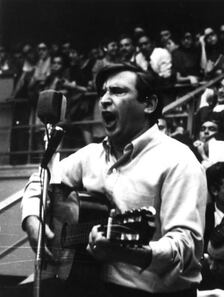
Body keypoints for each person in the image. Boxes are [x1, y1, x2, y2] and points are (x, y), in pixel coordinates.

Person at [19, 64, 207, 297]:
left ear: (149, 104)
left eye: (118, 91)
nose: (104, 100)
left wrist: (127, 253)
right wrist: (31, 219)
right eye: (103, 93)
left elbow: (185, 248)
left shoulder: (179, 161)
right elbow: (40, 178)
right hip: (90, 285)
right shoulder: (91, 155)